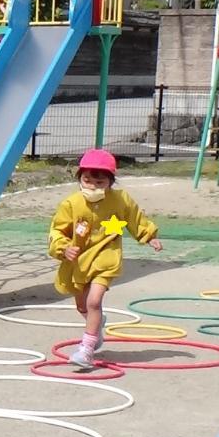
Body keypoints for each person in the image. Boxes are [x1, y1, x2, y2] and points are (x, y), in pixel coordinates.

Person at [47, 148, 163, 371]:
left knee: (94, 301)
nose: (92, 186)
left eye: (99, 182)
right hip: (78, 262)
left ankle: (86, 349)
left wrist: (149, 237)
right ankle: (97, 324)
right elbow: (57, 231)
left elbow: (135, 219)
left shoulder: (120, 200)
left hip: (106, 258)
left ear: (111, 182)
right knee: (82, 304)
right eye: (87, 180)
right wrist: (63, 248)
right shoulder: (71, 204)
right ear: (80, 178)